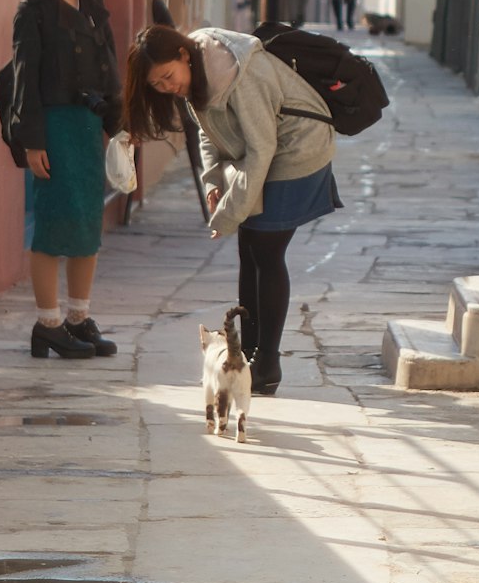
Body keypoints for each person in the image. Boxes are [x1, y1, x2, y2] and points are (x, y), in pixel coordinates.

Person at [124, 22, 340, 394]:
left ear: (182, 55)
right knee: (249, 248)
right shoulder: (196, 77)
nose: (167, 87)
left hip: (299, 147)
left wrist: (228, 212)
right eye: (157, 85)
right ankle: (248, 354)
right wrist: (213, 183)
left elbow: (262, 148)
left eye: (167, 77)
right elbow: (209, 134)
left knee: (266, 249)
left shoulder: (236, 72)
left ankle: (267, 363)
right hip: (265, 151)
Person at [12, 0, 122, 359]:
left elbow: (110, 64)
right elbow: (25, 77)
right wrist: (32, 142)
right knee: (53, 225)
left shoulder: (92, 1)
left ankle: (78, 319)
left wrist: (118, 125)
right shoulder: (32, 8)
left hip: (87, 124)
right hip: (52, 125)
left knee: (86, 225)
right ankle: (48, 323)